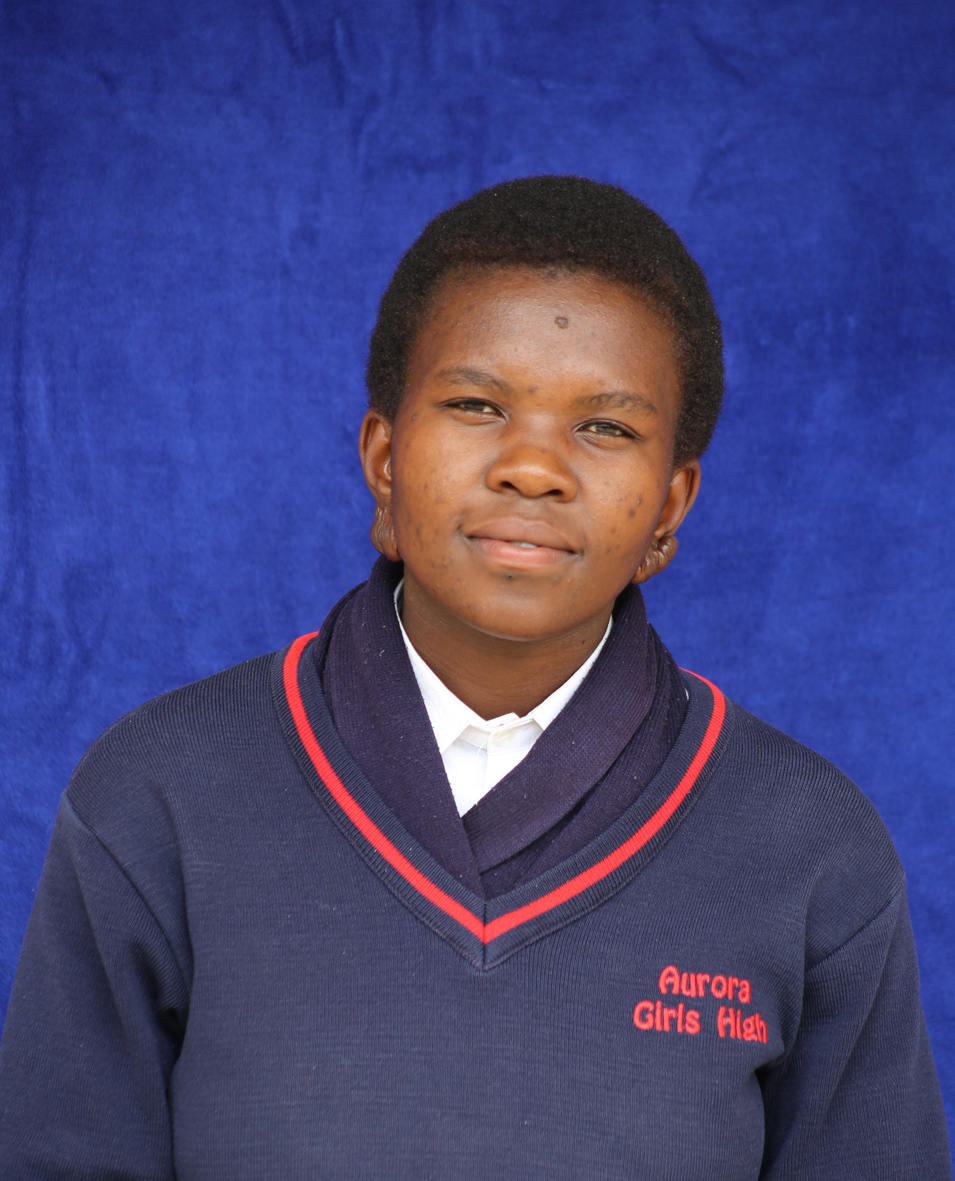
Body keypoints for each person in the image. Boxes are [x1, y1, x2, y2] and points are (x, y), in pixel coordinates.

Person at [0, 176, 949, 1179]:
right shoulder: (160, 793)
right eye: (475, 405)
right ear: (383, 457)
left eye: (605, 427)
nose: (532, 467)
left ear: (670, 505)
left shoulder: (811, 849)